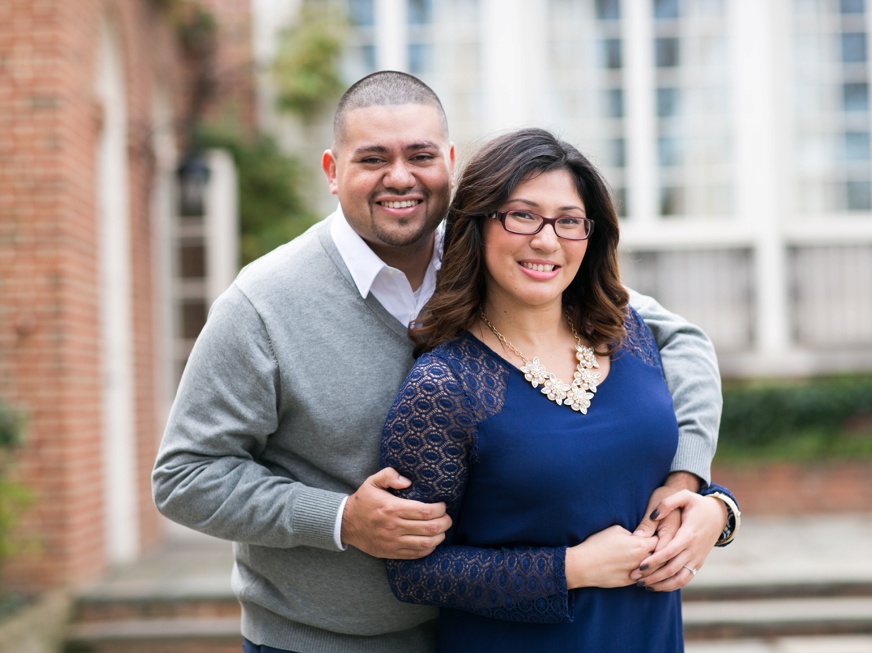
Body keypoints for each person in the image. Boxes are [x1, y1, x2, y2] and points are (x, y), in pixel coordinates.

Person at [152, 71, 723, 653]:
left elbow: (674, 340)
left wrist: (695, 486)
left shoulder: (501, 245)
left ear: (449, 162)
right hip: (325, 639)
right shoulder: (264, 303)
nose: (400, 177)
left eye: (420, 155)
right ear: (331, 170)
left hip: (486, 628)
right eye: (373, 158)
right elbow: (184, 477)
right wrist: (338, 518)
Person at [380, 127, 739, 653]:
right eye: (522, 215)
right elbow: (413, 574)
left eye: (569, 221)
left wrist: (718, 511)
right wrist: (572, 568)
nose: (547, 240)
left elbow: (643, 479)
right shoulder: (444, 386)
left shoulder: (630, 333)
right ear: (477, 225)